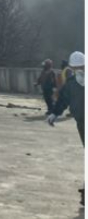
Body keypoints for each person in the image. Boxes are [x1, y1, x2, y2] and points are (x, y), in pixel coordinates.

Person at [48, 51, 85, 206]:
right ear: (71, 68)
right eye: (75, 68)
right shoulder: (70, 83)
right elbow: (63, 99)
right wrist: (55, 114)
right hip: (82, 123)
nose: (79, 71)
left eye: (81, 67)